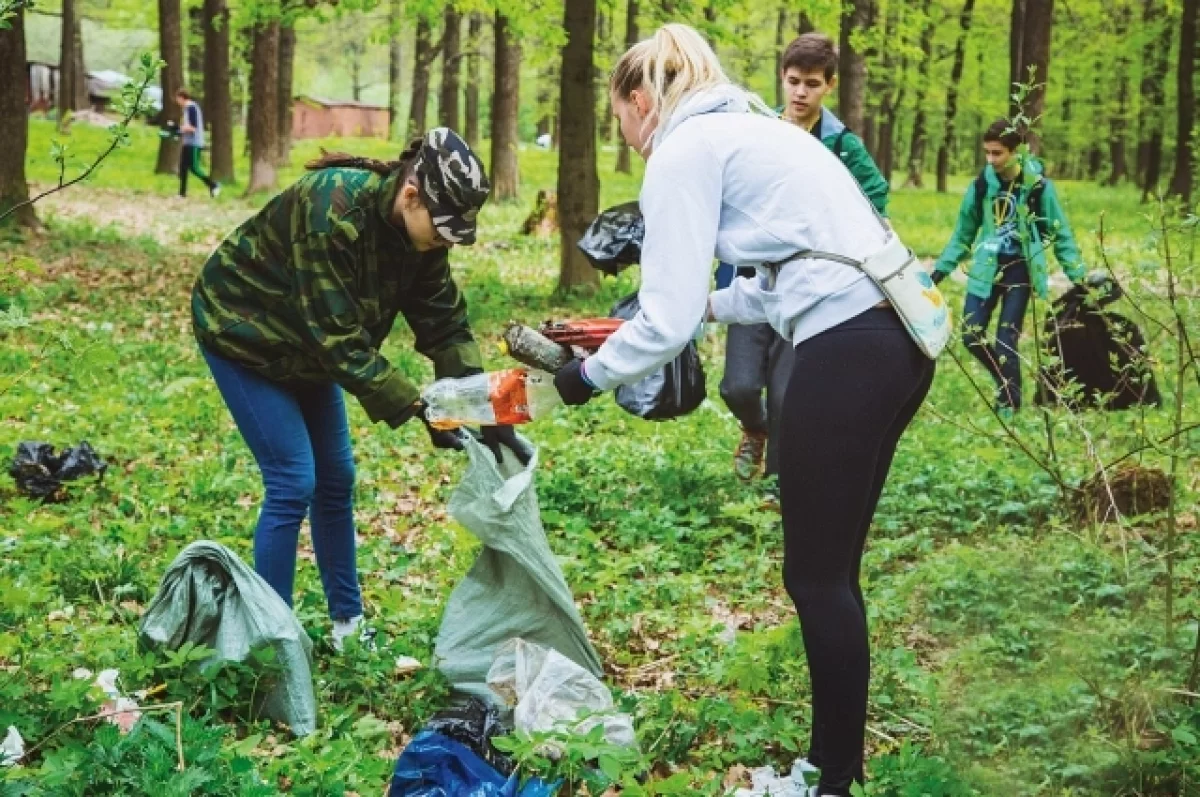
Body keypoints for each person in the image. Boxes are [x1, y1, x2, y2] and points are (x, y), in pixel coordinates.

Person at [553, 24, 935, 796]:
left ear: (638, 100)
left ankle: (829, 783)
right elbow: (767, 282)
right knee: (833, 573)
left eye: (618, 121)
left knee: (817, 577)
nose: (624, 138)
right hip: (900, 336)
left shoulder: (684, 151)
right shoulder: (754, 130)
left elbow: (663, 320)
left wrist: (582, 378)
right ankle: (835, 769)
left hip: (848, 342)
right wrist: (694, 311)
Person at [191, 128, 528, 650]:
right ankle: (272, 640)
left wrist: (481, 408)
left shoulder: (421, 235)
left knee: (337, 478)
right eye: (441, 230)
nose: (443, 242)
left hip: (307, 346)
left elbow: (444, 323)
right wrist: (421, 409)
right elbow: (337, 340)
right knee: (293, 480)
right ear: (411, 194)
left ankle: (347, 625)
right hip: (243, 332)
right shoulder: (330, 209)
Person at [718, 31, 890, 485]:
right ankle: (754, 429)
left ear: (829, 85)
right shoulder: (762, 133)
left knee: (788, 391)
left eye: (812, 83)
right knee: (737, 385)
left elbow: (876, 195)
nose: (800, 92)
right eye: (793, 80)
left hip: (809, 289)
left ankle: (780, 482)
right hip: (755, 280)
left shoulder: (842, 144)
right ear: (782, 78)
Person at [931, 118, 1084, 415]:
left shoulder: (1038, 187)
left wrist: (1078, 275)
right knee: (971, 335)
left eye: (997, 153)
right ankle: (1005, 380)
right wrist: (941, 270)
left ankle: (1010, 403)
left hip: (1019, 270)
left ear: (1017, 151)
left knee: (1006, 340)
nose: (991, 160)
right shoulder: (981, 185)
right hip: (985, 268)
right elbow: (963, 232)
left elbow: (1060, 232)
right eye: (987, 152)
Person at [175, 89, 220, 199]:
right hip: (187, 142)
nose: (177, 102)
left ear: (182, 97)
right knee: (183, 168)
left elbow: (193, 127)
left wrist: (179, 128)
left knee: (194, 168)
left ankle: (213, 185)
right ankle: (182, 193)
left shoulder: (191, 108)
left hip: (194, 143)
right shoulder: (186, 109)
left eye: (178, 99)